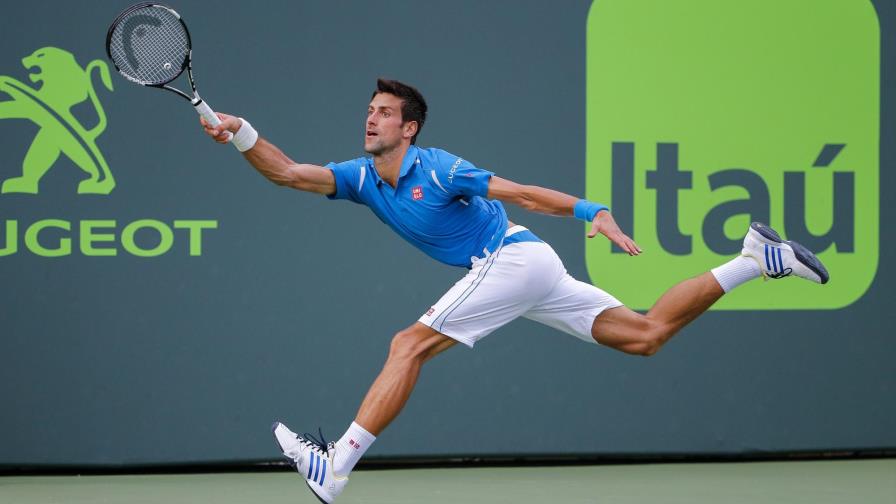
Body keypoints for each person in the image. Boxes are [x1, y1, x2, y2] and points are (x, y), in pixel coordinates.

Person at [201, 78, 829, 503]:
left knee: (407, 346)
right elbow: (286, 173)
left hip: (512, 257)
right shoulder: (361, 178)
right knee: (645, 335)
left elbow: (522, 193)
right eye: (370, 109)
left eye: (385, 112)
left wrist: (593, 211)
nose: (371, 117)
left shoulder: (441, 166)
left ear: (410, 129)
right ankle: (756, 260)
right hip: (532, 270)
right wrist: (242, 132)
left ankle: (336, 465)